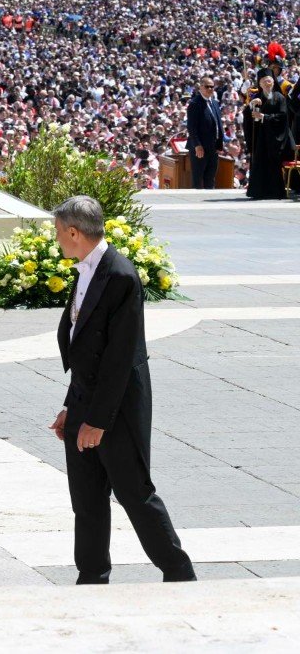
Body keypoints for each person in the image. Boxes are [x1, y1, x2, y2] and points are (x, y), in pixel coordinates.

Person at [49, 195, 196, 584]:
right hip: (85, 401)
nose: (57, 239)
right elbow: (84, 349)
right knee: (87, 498)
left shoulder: (121, 276)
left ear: (75, 232)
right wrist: (71, 407)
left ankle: (178, 571)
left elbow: (119, 359)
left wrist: (97, 421)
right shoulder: (85, 269)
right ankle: (92, 574)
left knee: (134, 493)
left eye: (59, 232)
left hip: (117, 411)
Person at [245, 74, 288, 199]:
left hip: (274, 137)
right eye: (264, 81)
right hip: (260, 137)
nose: (267, 83)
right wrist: (251, 105)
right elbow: (249, 117)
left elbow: (283, 116)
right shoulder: (257, 97)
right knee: (259, 162)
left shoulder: (279, 97)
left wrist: (264, 117)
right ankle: (258, 192)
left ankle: (275, 192)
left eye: (269, 81)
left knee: (273, 164)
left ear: (273, 82)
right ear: (260, 84)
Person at [185, 77, 223, 190]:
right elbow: (191, 127)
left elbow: (218, 124)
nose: (210, 89)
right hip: (200, 148)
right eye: (207, 86)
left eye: (212, 86)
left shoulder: (215, 103)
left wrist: (219, 144)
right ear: (201, 87)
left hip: (213, 147)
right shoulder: (195, 103)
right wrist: (197, 145)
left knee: (210, 179)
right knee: (197, 179)